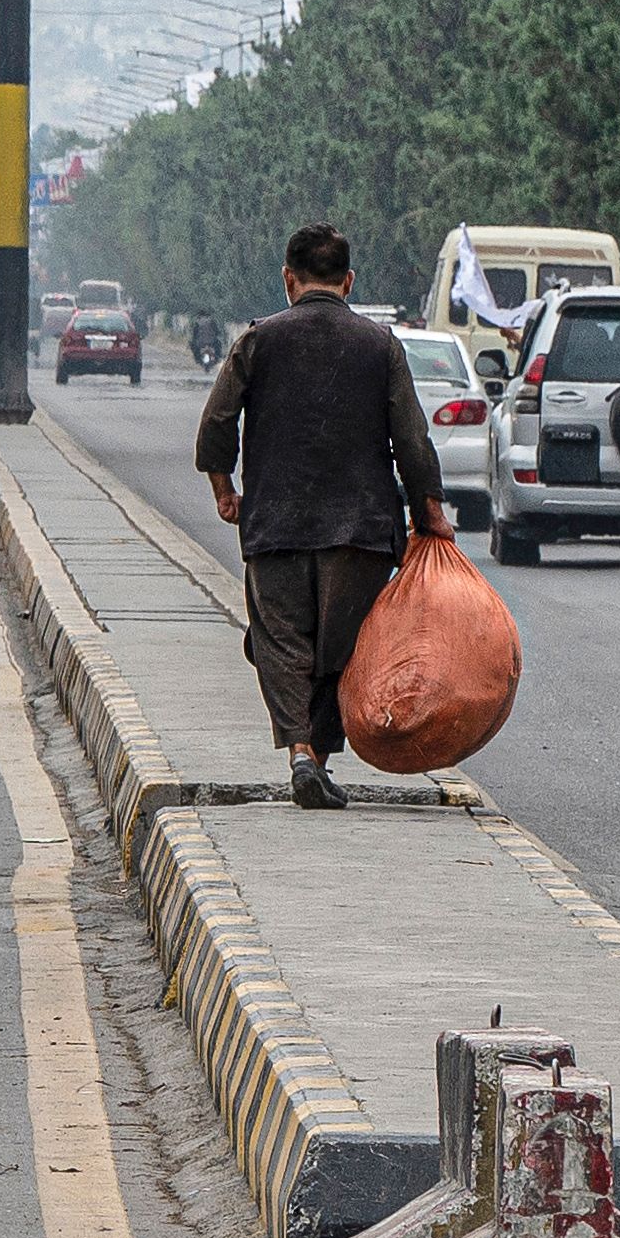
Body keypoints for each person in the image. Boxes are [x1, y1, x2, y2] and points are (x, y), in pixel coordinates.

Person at [193, 222, 449, 810]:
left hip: (274, 524)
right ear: (349, 281)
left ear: (289, 279)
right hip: (358, 531)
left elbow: (215, 420)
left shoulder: (258, 341)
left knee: (280, 642)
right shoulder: (380, 346)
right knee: (345, 648)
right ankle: (320, 758)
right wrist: (429, 512)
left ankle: (302, 755)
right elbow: (411, 437)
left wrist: (222, 489)